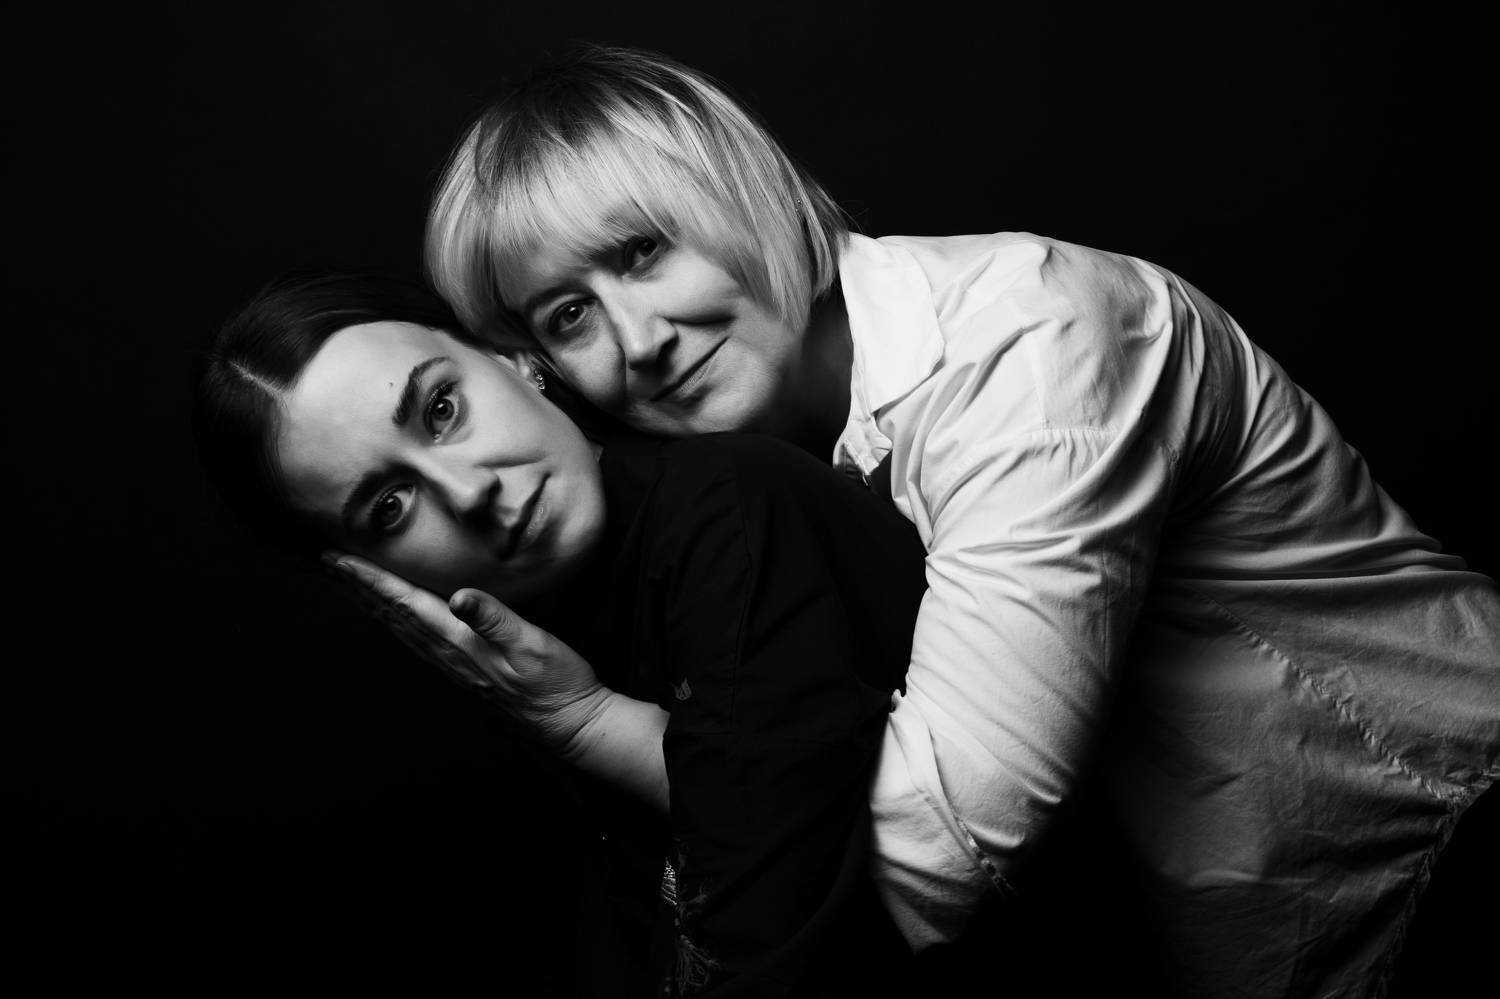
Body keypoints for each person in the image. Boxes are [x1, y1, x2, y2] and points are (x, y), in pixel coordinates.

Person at [332, 44, 1500, 998]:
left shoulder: (1025, 347)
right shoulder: (725, 485)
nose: (638, 341)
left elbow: (944, 848)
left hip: (1431, 845)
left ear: (742, 193)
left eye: (643, 253)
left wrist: (600, 727)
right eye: (570, 315)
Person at [191, 271, 935, 997]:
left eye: (442, 408)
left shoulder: (724, 506)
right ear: (365, 573)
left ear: (512, 358)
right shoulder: (526, 657)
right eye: (389, 505)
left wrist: (584, 720)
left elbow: (772, 932)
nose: (468, 490)